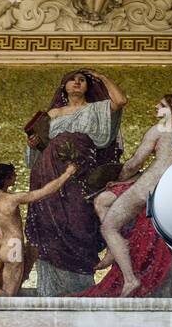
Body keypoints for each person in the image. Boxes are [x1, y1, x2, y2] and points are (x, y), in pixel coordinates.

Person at [76, 93, 172, 298]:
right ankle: (115, 248)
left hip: (149, 184)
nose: (156, 106)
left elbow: (135, 163)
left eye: (161, 104)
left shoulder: (160, 129)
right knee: (104, 201)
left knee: (109, 226)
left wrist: (120, 177)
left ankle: (130, 278)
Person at [24, 69, 126, 296]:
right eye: (72, 80)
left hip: (81, 173)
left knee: (80, 221)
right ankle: (50, 291)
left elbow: (120, 101)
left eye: (82, 80)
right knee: (50, 227)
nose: (77, 83)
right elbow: (36, 150)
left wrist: (101, 76)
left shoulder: (97, 109)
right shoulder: (52, 114)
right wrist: (33, 144)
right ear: (64, 86)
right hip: (47, 173)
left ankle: (82, 289)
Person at [0, 162, 76, 297]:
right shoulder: (10, 199)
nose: (16, 176)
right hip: (13, 247)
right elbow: (45, 192)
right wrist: (67, 174)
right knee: (8, 295)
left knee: (7, 291)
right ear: (6, 179)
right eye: (13, 175)